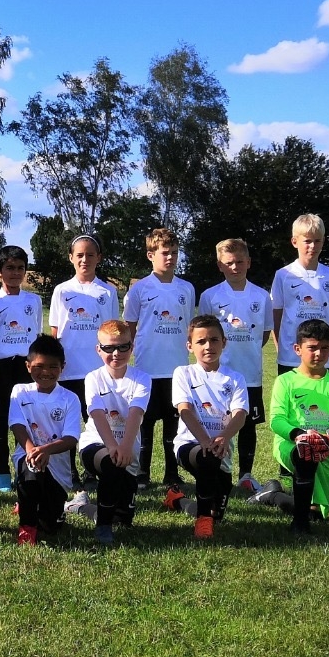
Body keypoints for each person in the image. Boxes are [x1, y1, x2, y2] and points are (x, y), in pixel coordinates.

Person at [259, 319, 329, 533]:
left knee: (317, 512)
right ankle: (300, 523)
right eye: (312, 348)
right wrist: (300, 435)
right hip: (290, 444)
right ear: (297, 349)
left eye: (324, 348)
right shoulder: (285, 381)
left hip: (326, 448)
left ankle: (273, 495)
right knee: (306, 454)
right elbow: (277, 420)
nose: (318, 353)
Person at [122, 227, 194, 505]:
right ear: (151, 255)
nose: (171, 257)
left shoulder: (186, 288)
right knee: (146, 424)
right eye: (165, 252)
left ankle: (172, 473)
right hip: (147, 368)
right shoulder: (139, 289)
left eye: (175, 252)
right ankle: (142, 472)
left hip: (176, 369)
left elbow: (188, 327)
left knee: (173, 425)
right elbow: (129, 328)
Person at [47, 232, 118, 514]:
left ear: (98, 258)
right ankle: (70, 474)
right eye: (79, 255)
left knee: (97, 423)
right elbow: (55, 331)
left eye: (90, 255)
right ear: (71, 258)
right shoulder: (61, 290)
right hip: (68, 371)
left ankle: (93, 471)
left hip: (97, 371)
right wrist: (56, 365)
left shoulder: (107, 292)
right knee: (67, 425)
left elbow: (111, 332)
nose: (84, 259)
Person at [196, 238, 272, 493]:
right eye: (229, 263)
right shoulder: (210, 296)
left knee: (248, 424)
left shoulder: (261, 296)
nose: (235, 267)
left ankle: (246, 474)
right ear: (220, 265)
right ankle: (217, 467)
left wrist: (246, 348)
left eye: (240, 261)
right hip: (219, 374)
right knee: (219, 421)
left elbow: (263, 334)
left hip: (250, 373)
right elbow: (204, 332)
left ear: (248, 262)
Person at [172, 315, 249, 542]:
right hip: (190, 445)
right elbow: (185, 410)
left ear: (224, 342)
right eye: (201, 341)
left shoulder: (235, 378)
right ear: (190, 346)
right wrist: (205, 441)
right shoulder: (183, 373)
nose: (208, 346)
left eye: (214, 340)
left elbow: (240, 415)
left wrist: (223, 437)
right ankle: (202, 520)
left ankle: (177, 500)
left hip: (221, 449)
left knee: (218, 513)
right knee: (207, 458)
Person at [76, 319, 150, 546]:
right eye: (108, 348)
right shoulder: (93, 378)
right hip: (96, 446)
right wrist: (112, 447)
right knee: (110, 464)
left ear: (132, 347)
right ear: (98, 350)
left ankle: (80, 507)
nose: (116, 353)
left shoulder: (142, 379)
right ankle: (103, 527)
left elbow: (136, 413)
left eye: (122, 347)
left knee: (123, 519)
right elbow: (97, 414)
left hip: (127, 451)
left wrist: (125, 447)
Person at [0, 244, 43, 493]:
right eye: (9, 268)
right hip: (1, 368)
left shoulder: (34, 300)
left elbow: (36, 332)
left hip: (26, 368)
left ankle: (24, 470)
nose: (15, 273)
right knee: (0, 421)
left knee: (27, 420)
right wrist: (6, 348)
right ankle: (2, 474)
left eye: (20, 268)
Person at [8, 334, 81, 546]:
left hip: (57, 470)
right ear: (28, 366)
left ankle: (41, 507)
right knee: (31, 470)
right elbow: (17, 425)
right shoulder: (20, 391)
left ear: (62, 367)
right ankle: (27, 529)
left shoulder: (70, 398)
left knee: (50, 526)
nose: (46, 372)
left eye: (53, 367)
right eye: (39, 366)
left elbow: (71, 438)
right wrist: (32, 450)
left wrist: (46, 450)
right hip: (28, 455)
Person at [270, 213, 329, 375]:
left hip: (323, 357)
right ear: (295, 242)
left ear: (323, 241)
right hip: (291, 356)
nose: (312, 246)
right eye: (307, 241)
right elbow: (276, 315)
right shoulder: (283, 275)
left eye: (317, 241)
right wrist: (281, 347)